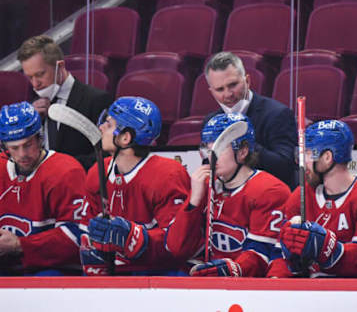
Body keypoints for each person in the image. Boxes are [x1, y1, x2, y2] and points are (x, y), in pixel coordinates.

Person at [270, 120, 357, 278]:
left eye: (307, 154)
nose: (300, 162)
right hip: (319, 294)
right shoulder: (300, 197)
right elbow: (278, 257)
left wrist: (328, 249)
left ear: (327, 157)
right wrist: (290, 263)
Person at [166, 113, 290, 277]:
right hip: (206, 278)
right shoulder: (204, 186)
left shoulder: (270, 191)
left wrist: (231, 269)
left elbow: (262, 254)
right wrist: (194, 201)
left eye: (219, 150)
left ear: (243, 151)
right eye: (208, 150)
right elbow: (175, 247)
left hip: (246, 286)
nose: (211, 157)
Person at [80, 96, 191, 276]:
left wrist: (135, 237)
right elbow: (86, 229)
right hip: (116, 273)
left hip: (155, 274)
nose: (101, 128)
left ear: (125, 137)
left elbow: (177, 244)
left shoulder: (168, 175)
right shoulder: (97, 171)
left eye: (109, 124)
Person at [0, 102, 86, 275]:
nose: (22, 154)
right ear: (4, 146)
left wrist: (19, 245)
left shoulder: (67, 171)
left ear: (40, 138)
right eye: (14, 148)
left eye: (28, 144)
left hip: (51, 268)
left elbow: (78, 235)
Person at [203, 51, 298, 190]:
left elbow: (285, 167)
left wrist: (243, 139)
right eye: (220, 89)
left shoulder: (277, 114)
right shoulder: (211, 121)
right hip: (228, 199)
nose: (228, 94)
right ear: (211, 91)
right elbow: (210, 167)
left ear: (247, 81)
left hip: (270, 197)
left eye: (233, 85)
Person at [17, 35, 113, 170]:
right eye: (29, 77)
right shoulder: (32, 107)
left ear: (60, 66)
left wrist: (60, 167)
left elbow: (107, 155)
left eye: (40, 75)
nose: (35, 84)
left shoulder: (96, 100)